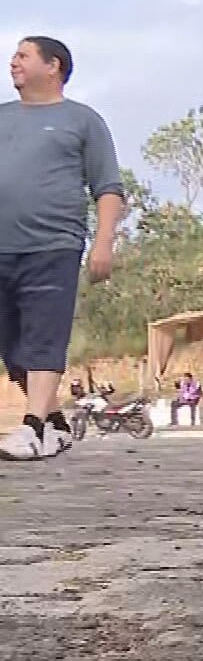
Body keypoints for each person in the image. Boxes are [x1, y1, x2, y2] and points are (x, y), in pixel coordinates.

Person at [0, 36, 124, 461]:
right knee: (12, 348)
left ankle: (33, 428)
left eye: (23, 55)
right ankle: (55, 424)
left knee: (43, 336)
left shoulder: (82, 120)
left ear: (53, 66)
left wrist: (103, 242)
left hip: (53, 245)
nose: (12, 62)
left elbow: (108, 188)